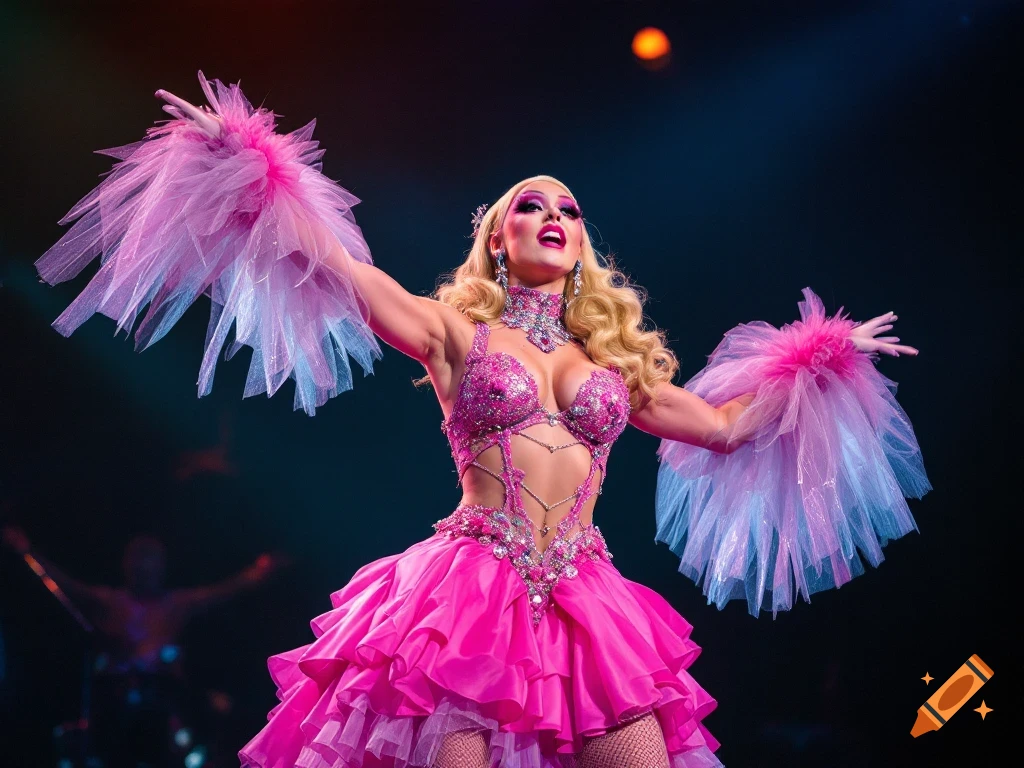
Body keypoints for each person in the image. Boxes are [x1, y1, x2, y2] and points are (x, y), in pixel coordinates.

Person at [34, 73, 929, 767]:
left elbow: (730, 428)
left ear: (579, 246)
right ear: (497, 240)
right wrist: (246, 165)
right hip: (469, 595)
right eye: (526, 206)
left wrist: (824, 361)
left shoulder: (614, 368)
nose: (549, 215)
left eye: (566, 209)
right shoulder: (456, 331)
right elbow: (349, 275)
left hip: (588, 602)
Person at [2, 527, 283, 767]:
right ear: (127, 566)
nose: (144, 569)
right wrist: (28, 552)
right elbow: (66, 585)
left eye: (151, 562)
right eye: (138, 562)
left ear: (161, 567)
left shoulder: (174, 604)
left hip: (162, 698)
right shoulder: (111, 601)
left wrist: (257, 572)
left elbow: (223, 592)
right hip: (115, 699)